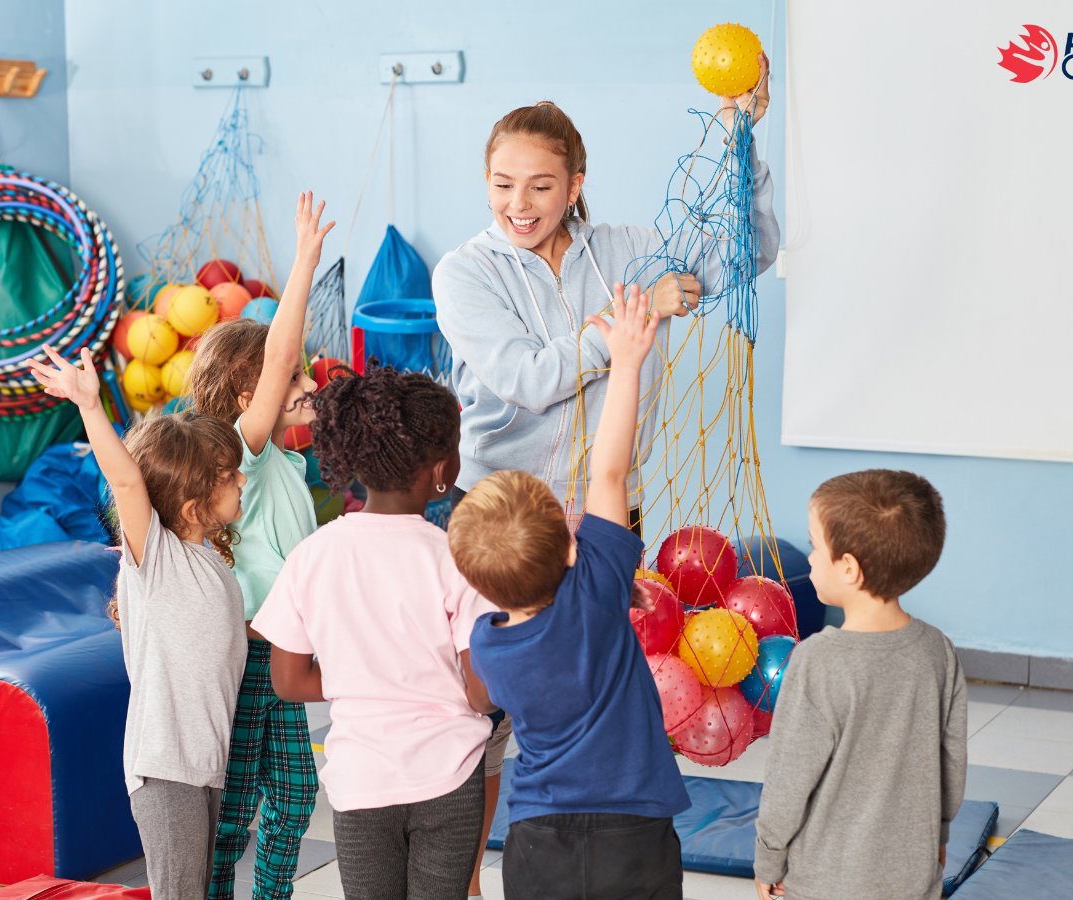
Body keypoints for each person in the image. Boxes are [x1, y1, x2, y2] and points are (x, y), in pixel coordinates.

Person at [432, 54, 777, 529]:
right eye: (503, 184)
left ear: (573, 188)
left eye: (540, 187)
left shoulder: (632, 250)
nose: (518, 204)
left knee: (612, 609)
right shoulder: (465, 272)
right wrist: (634, 313)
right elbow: (528, 382)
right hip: (500, 503)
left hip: (610, 500)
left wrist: (738, 140)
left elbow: (748, 252)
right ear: (487, 183)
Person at [449, 285, 690, 900]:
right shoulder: (597, 594)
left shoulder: (487, 644)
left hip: (535, 836)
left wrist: (602, 584)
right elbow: (610, 473)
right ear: (571, 548)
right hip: (632, 829)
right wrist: (629, 362)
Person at [251, 365, 497, 900]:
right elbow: (481, 692)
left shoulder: (312, 556)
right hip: (450, 776)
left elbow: (289, 680)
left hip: (361, 781)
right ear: (441, 468)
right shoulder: (457, 559)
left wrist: (363, 677)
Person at [27, 346, 247, 900]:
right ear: (194, 500)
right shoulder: (158, 558)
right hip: (167, 767)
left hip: (203, 764)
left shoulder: (207, 560)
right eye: (228, 474)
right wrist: (89, 405)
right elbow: (127, 483)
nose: (242, 479)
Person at [180, 192, 334, 900]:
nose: (305, 384)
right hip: (248, 655)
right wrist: (303, 261)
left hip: (287, 652)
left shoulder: (286, 465)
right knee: (236, 810)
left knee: (297, 801)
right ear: (249, 391)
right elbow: (276, 362)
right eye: (296, 375)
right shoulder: (238, 453)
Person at [753, 470, 967, 900]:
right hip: (912, 879)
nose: (809, 559)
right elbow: (951, 762)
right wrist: (938, 834)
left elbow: (789, 779)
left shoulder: (816, 662)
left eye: (816, 547)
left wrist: (768, 858)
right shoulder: (937, 651)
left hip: (823, 884)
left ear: (848, 568)